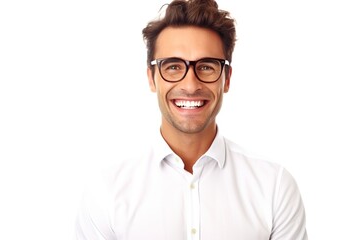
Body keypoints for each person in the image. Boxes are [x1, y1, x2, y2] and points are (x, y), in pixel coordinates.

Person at [75, 0, 308, 239]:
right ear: (152, 78)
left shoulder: (274, 186)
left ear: (226, 79)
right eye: (173, 67)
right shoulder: (106, 191)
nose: (190, 85)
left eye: (207, 67)